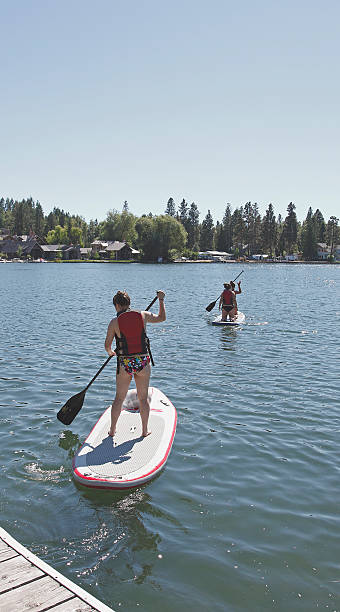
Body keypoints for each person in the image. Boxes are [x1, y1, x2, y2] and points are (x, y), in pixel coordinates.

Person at [104, 289, 166, 438]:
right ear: (129, 304)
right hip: (143, 362)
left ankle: (112, 430)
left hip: (124, 363)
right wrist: (161, 300)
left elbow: (107, 345)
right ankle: (144, 431)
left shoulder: (114, 322)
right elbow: (161, 318)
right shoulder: (142, 315)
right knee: (143, 399)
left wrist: (111, 352)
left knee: (119, 398)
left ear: (117, 305)